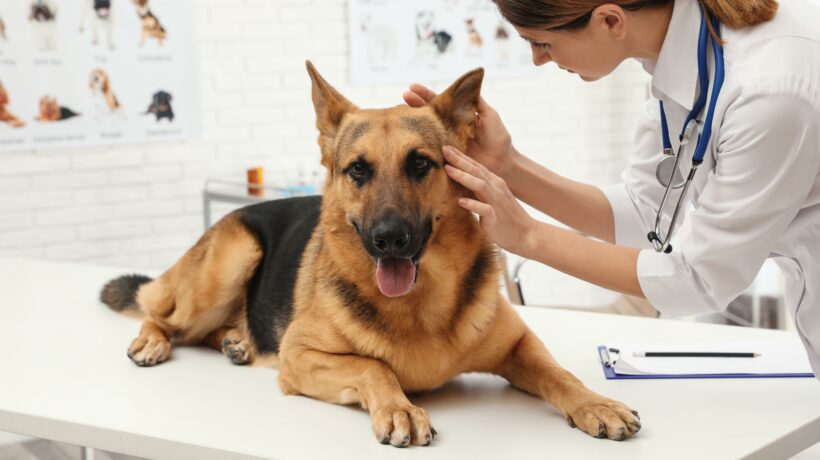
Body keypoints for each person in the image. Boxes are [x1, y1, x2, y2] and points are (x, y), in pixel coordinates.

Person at [403, 0, 820, 377]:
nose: (537, 60)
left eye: (543, 43)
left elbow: (700, 279)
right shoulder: (682, 59)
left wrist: (527, 235)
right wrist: (506, 165)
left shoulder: (768, 90)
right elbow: (643, 215)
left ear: (609, 20)